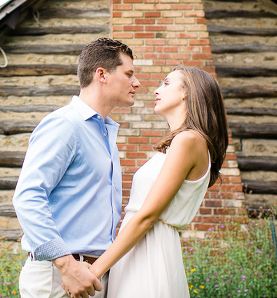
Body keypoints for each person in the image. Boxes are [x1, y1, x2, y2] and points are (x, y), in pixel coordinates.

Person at [84, 66, 229, 298]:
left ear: (187, 92)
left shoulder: (188, 140)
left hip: (149, 254)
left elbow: (147, 216)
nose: (156, 90)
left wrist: (95, 272)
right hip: (136, 251)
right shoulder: (181, 143)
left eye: (166, 83)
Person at [12, 38, 141, 298]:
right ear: (101, 74)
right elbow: (27, 196)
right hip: (58, 277)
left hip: (94, 275)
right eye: (129, 74)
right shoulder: (65, 125)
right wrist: (66, 264)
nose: (136, 83)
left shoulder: (105, 132)